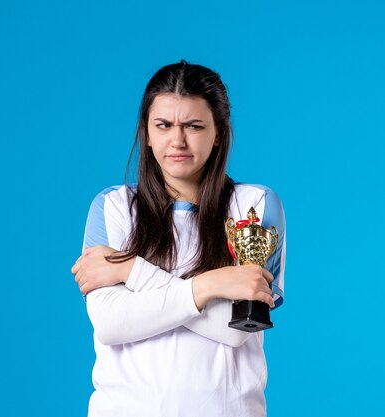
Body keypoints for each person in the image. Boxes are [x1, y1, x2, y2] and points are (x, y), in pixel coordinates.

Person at [70, 60, 286, 417]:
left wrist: (130, 272)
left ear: (218, 133)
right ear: (147, 133)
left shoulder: (255, 206)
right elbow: (113, 324)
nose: (178, 140)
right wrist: (210, 286)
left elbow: (233, 330)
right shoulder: (112, 207)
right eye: (164, 125)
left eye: (194, 126)